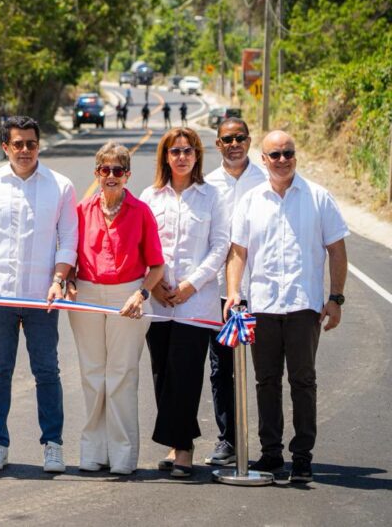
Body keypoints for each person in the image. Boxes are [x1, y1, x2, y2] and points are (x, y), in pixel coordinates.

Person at [225, 130, 349, 483]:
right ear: (263, 160)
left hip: (303, 306)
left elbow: (337, 250)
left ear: (296, 155)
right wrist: (234, 291)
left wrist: (336, 298)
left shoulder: (318, 198)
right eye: (275, 155)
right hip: (261, 305)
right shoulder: (251, 200)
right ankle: (271, 454)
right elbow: (238, 252)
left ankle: (303, 456)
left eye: (288, 153)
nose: (282, 160)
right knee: (266, 381)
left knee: (303, 381)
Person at [0, 116, 78, 473]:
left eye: (31, 143)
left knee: (46, 370)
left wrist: (58, 280)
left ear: (38, 145)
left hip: (41, 298)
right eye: (18, 144)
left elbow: (69, 240)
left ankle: (53, 445)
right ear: (5, 147)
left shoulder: (60, 186)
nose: (26, 150)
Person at [67, 141, 165, 475]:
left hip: (127, 294)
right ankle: (94, 452)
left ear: (127, 175)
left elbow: (156, 266)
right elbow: (68, 255)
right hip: (88, 294)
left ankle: (123, 456)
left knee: (121, 375)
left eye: (118, 171)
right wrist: (66, 280)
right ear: (96, 173)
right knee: (93, 374)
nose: (111, 176)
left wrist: (141, 294)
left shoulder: (140, 211)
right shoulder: (81, 211)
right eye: (105, 170)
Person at [140, 128, 228, 478]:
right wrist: (156, 285)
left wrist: (192, 285)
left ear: (197, 156)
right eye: (174, 151)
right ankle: (176, 442)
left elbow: (220, 246)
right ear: (165, 156)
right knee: (162, 374)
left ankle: (185, 450)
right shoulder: (150, 196)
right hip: (159, 304)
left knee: (186, 375)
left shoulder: (212, 196)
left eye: (187, 151)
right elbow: (142, 245)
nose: (181, 157)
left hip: (197, 304)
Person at [202, 117, 267, 467]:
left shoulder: (267, 180)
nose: (234, 144)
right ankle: (228, 439)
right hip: (220, 294)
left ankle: (269, 446)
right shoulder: (208, 185)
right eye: (227, 139)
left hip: (261, 291)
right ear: (218, 144)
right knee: (220, 368)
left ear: (249, 141)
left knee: (265, 369)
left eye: (240, 138)